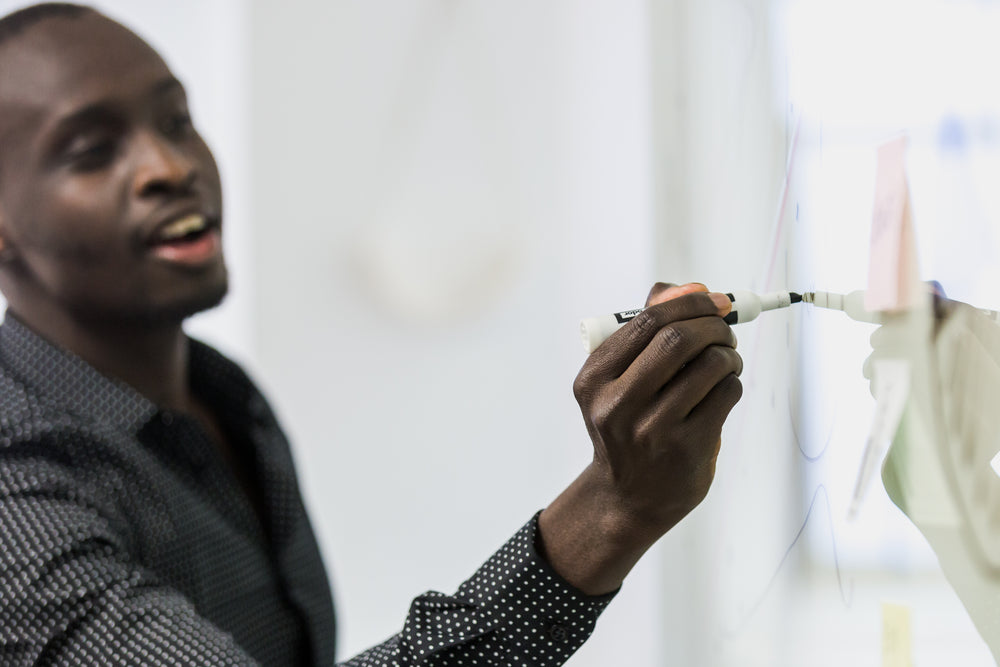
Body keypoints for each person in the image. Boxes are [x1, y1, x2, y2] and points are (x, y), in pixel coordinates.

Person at [0, 4, 743, 666]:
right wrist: (611, 512)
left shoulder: (223, 392)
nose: (170, 167)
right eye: (91, 151)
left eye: (175, 120)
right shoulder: (13, 492)